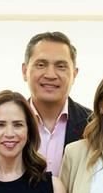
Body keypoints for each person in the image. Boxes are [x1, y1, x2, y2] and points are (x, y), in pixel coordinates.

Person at [21, 32, 91, 176]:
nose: (50, 75)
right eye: (41, 65)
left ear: (74, 74)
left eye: (61, 66)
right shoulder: (3, 122)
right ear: (24, 71)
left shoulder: (95, 124)